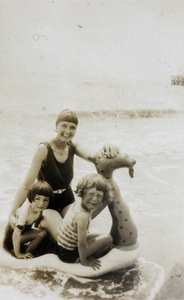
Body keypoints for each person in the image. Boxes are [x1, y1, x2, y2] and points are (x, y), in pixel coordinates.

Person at [9, 109, 119, 228]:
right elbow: (26, 185)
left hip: (67, 199)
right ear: (56, 126)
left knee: (78, 227)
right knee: (62, 236)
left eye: (72, 127)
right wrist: (13, 212)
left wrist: (107, 148)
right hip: (46, 202)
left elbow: (94, 157)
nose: (68, 131)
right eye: (64, 126)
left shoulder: (72, 146)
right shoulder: (44, 149)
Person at [56, 174, 113, 269]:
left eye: (99, 196)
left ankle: (87, 254)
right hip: (69, 255)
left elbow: (91, 216)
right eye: (91, 194)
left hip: (62, 248)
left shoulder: (79, 203)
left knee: (102, 235)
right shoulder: (82, 216)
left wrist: (105, 203)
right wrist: (85, 262)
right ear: (82, 193)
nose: (95, 199)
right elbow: (81, 243)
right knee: (108, 238)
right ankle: (89, 257)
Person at [3, 181, 54, 259]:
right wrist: (18, 254)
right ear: (31, 198)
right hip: (11, 240)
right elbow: (16, 234)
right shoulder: (25, 211)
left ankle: (28, 252)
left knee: (44, 233)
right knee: (41, 234)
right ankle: (24, 254)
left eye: (45, 200)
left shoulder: (38, 210)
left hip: (21, 236)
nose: (41, 203)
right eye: (37, 199)